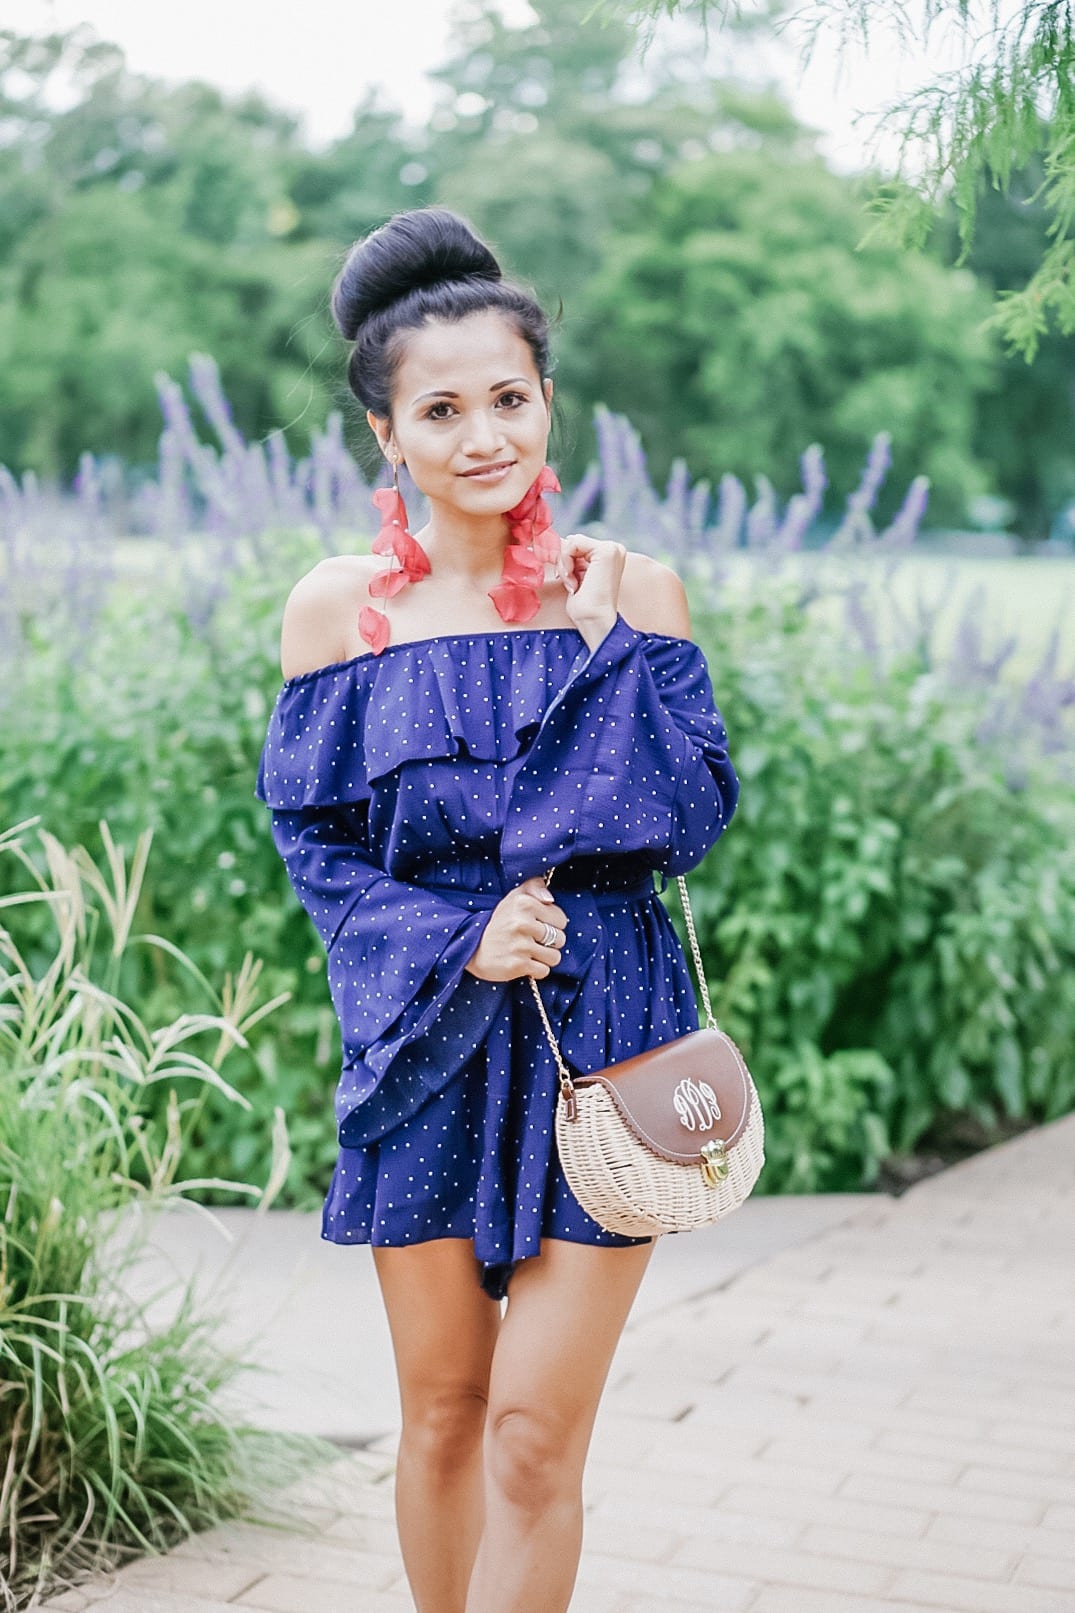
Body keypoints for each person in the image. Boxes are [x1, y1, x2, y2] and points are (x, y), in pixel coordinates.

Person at [255, 206, 740, 1613]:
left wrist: (606, 653)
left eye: (509, 398)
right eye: (442, 407)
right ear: (386, 435)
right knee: (446, 1414)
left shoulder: (631, 587)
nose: (484, 433)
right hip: (427, 1047)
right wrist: (455, 934)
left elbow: (693, 819)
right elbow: (315, 841)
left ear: (548, 403)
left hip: (609, 1035)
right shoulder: (338, 614)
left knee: (536, 1434)